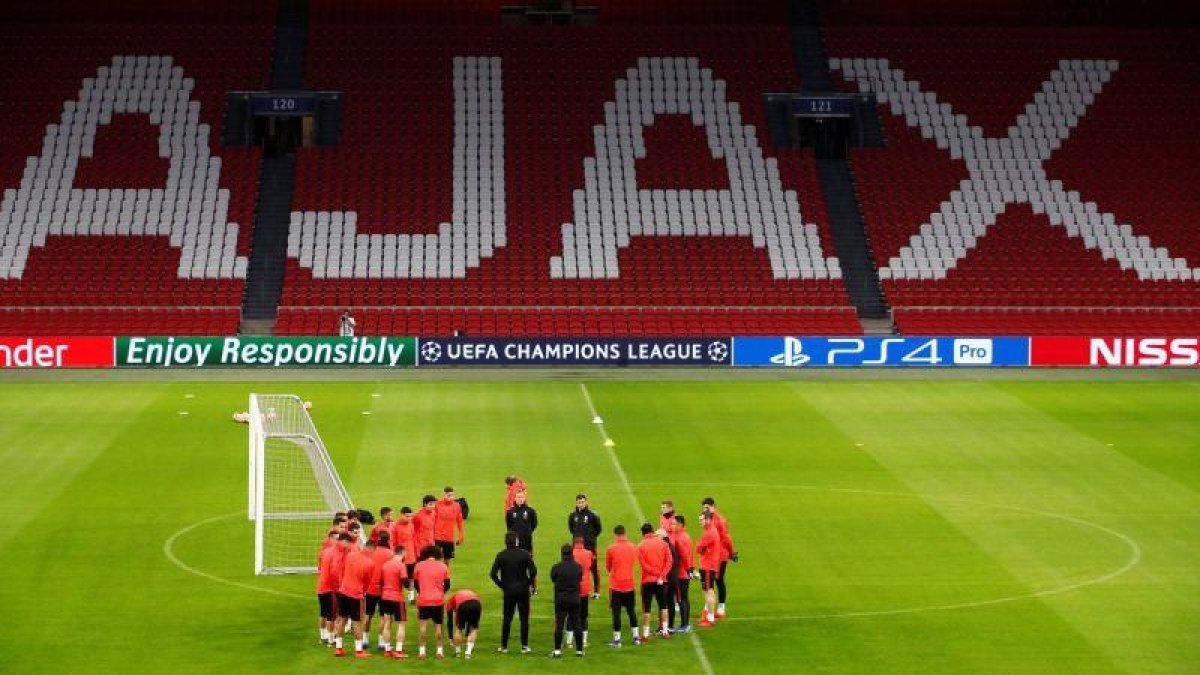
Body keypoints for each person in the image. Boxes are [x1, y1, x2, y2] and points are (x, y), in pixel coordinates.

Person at [490, 531, 537, 653]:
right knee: (524, 618)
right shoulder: (525, 554)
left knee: (507, 618)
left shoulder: (501, 555)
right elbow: (533, 571)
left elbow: (492, 574)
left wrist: (502, 585)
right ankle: (524, 646)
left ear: (506, 542)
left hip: (509, 590)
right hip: (522, 590)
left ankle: (504, 646)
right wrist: (528, 583)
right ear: (517, 541)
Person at [334, 535, 376, 658]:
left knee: (342, 620)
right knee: (357, 622)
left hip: (343, 591)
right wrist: (363, 592)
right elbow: (367, 582)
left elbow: (342, 570)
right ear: (372, 549)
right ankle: (358, 650)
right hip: (356, 595)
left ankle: (338, 648)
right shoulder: (370, 563)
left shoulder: (350, 555)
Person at [412, 546, 452, 660]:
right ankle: (439, 651)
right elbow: (448, 585)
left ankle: (422, 651)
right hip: (438, 600)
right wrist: (440, 592)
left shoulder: (418, 566)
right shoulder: (443, 566)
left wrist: (422, 592)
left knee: (423, 627)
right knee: (438, 626)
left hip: (424, 600)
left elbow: (415, 584)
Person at [604, 525, 641, 647]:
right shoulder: (632, 547)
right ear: (625, 533)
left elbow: (608, 567)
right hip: (629, 584)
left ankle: (617, 640)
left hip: (616, 586)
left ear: (615, 535)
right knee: (631, 611)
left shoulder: (611, 548)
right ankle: (636, 638)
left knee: (616, 613)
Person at [702, 497, 737, 618]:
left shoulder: (720, 521)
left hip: (721, 555)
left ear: (713, 507)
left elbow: (727, 538)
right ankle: (708, 606)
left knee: (718, 580)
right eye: (704, 508)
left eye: (707, 507)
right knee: (709, 580)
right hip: (711, 555)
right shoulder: (706, 518)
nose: (705, 509)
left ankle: (721, 607)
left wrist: (732, 553)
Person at [637, 523, 672, 640]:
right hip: (661, 581)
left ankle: (646, 634)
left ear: (643, 533)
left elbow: (644, 566)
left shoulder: (640, 546)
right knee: (663, 606)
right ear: (652, 531)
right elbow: (669, 561)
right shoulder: (664, 543)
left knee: (647, 608)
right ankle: (665, 631)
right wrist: (661, 575)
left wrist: (656, 573)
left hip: (647, 580)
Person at [550, 544, 584, 658]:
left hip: (561, 599)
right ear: (572, 553)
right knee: (577, 624)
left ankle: (557, 651)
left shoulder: (556, 567)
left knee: (559, 625)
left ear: (562, 553)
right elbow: (580, 578)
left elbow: (553, 579)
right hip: (574, 599)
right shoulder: (578, 567)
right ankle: (579, 650)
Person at [379, 544, 410, 659]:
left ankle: (387, 650)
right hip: (397, 598)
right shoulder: (401, 566)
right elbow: (405, 583)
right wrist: (410, 585)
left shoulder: (385, 564)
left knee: (387, 623)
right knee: (401, 624)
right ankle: (398, 650)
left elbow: (381, 582)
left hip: (385, 597)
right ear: (403, 553)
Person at [567, 494, 602, 597]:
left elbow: (598, 529)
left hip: (590, 547)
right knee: (576, 569)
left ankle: (596, 591)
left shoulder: (592, 515)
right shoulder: (572, 516)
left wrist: (591, 539)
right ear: (576, 503)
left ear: (586, 502)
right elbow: (571, 529)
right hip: (577, 549)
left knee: (594, 569)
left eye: (583, 502)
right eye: (579, 502)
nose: (581, 504)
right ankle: (577, 589)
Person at [363, 533, 393, 651]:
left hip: (370, 588)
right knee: (383, 617)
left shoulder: (371, 552)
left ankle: (365, 640)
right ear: (388, 541)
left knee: (367, 615)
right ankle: (381, 642)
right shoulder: (390, 554)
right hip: (384, 589)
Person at [316, 530, 346, 646]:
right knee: (331, 615)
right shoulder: (335, 553)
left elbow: (319, 567)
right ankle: (330, 639)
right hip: (330, 588)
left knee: (323, 613)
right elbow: (334, 572)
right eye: (337, 539)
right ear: (331, 539)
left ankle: (323, 636)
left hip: (321, 586)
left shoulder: (323, 552)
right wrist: (338, 586)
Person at [564, 536, 594, 649]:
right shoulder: (588, 553)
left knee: (571, 615)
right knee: (583, 616)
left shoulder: (570, 554)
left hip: (573, 587)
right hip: (585, 588)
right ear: (583, 543)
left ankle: (569, 641)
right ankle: (584, 640)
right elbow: (589, 566)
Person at [505, 490, 538, 591]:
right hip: (514, 545)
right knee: (514, 566)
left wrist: (527, 533)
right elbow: (509, 527)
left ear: (525, 498)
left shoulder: (530, 511)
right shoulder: (510, 512)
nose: (520, 499)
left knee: (530, 566)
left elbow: (534, 525)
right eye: (518, 497)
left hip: (527, 543)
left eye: (522, 497)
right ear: (514, 498)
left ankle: (533, 587)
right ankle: (516, 586)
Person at [696, 512, 722, 627]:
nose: (700, 522)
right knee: (709, 590)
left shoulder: (709, 533)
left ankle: (710, 618)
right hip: (710, 565)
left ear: (708, 520)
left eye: (701, 520)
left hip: (707, 566)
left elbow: (698, 548)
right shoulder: (711, 530)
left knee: (708, 591)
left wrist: (701, 548)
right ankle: (708, 615)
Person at [670, 515, 695, 633]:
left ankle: (685, 625)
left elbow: (684, 555)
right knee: (684, 598)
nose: (672, 526)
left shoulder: (679, 538)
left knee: (681, 599)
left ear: (680, 525)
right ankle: (685, 624)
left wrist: (688, 569)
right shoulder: (686, 536)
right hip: (685, 572)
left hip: (681, 574)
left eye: (674, 524)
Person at [388, 507, 417, 601]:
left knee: (411, 577)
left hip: (411, 556)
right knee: (399, 578)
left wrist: (417, 552)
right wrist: (394, 556)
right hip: (400, 558)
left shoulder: (411, 525)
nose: (409, 518)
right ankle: (398, 595)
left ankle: (411, 596)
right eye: (407, 516)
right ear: (401, 515)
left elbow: (414, 540)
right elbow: (392, 542)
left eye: (410, 517)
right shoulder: (395, 526)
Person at [446, 589, 482, 659]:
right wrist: (467, 633)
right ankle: (468, 653)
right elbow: (469, 620)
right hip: (477, 604)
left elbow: (450, 621)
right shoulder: (465, 594)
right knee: (474, 629)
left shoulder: (450, 602)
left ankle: (457, 652)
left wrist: (450, 638)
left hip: (463, 605)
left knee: (458, 629)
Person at [434, 487, 466, 565]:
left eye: (452, 495)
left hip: (449, 538)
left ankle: (446, 576)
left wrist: (461, 536)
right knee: (436, 560)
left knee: (447, 561)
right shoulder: (437, 505)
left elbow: (460, 522)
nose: (450, 497)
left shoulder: (457, 506)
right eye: (448, 495)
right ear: (444, 495)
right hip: (437, 537)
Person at [412, 496, 437, 580]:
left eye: (434, 504)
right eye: (430, 504)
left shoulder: (433, 513)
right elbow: (410, 529)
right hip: (421, 547)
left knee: (431, 569)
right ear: (425, 504)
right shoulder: (417, 516)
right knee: (421, 570)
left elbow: (431, 529)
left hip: (431, 545)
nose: (433, 506)